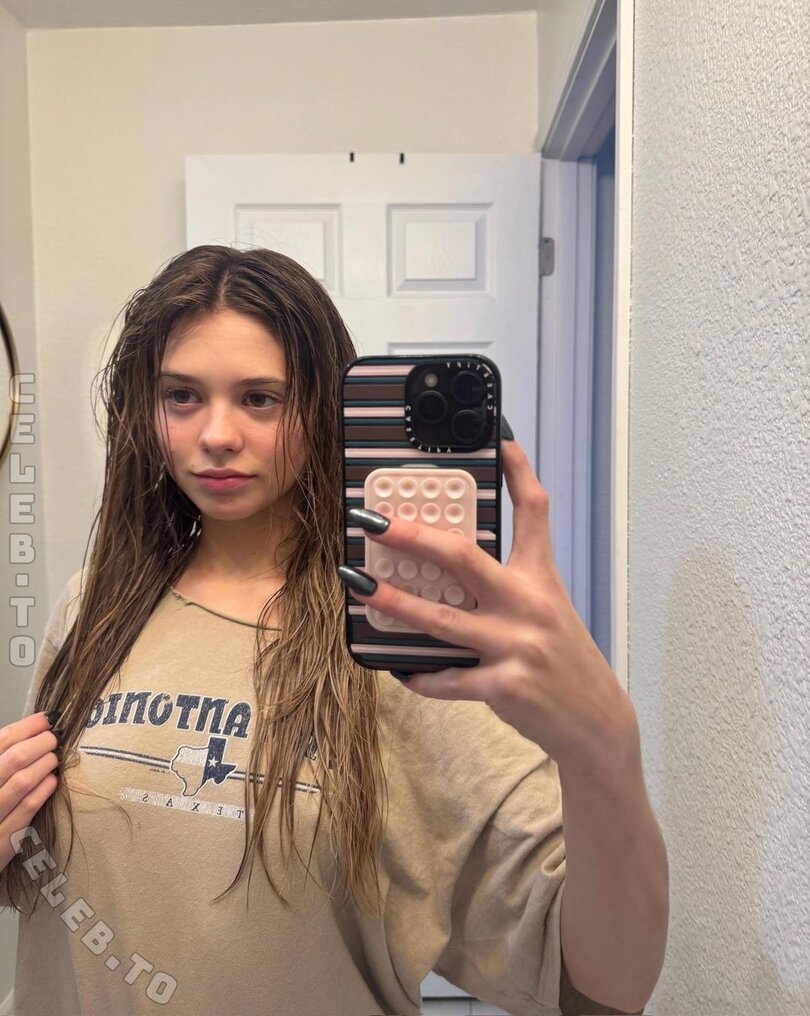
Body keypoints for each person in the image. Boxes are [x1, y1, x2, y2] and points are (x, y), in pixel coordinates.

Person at [0, 245, 668, 1016]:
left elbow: (606, 985)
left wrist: (605, 749)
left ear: (324, 411)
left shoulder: (396, 644)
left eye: (260, 399)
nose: (217, 433)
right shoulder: (92, 608)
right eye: (182, 396)